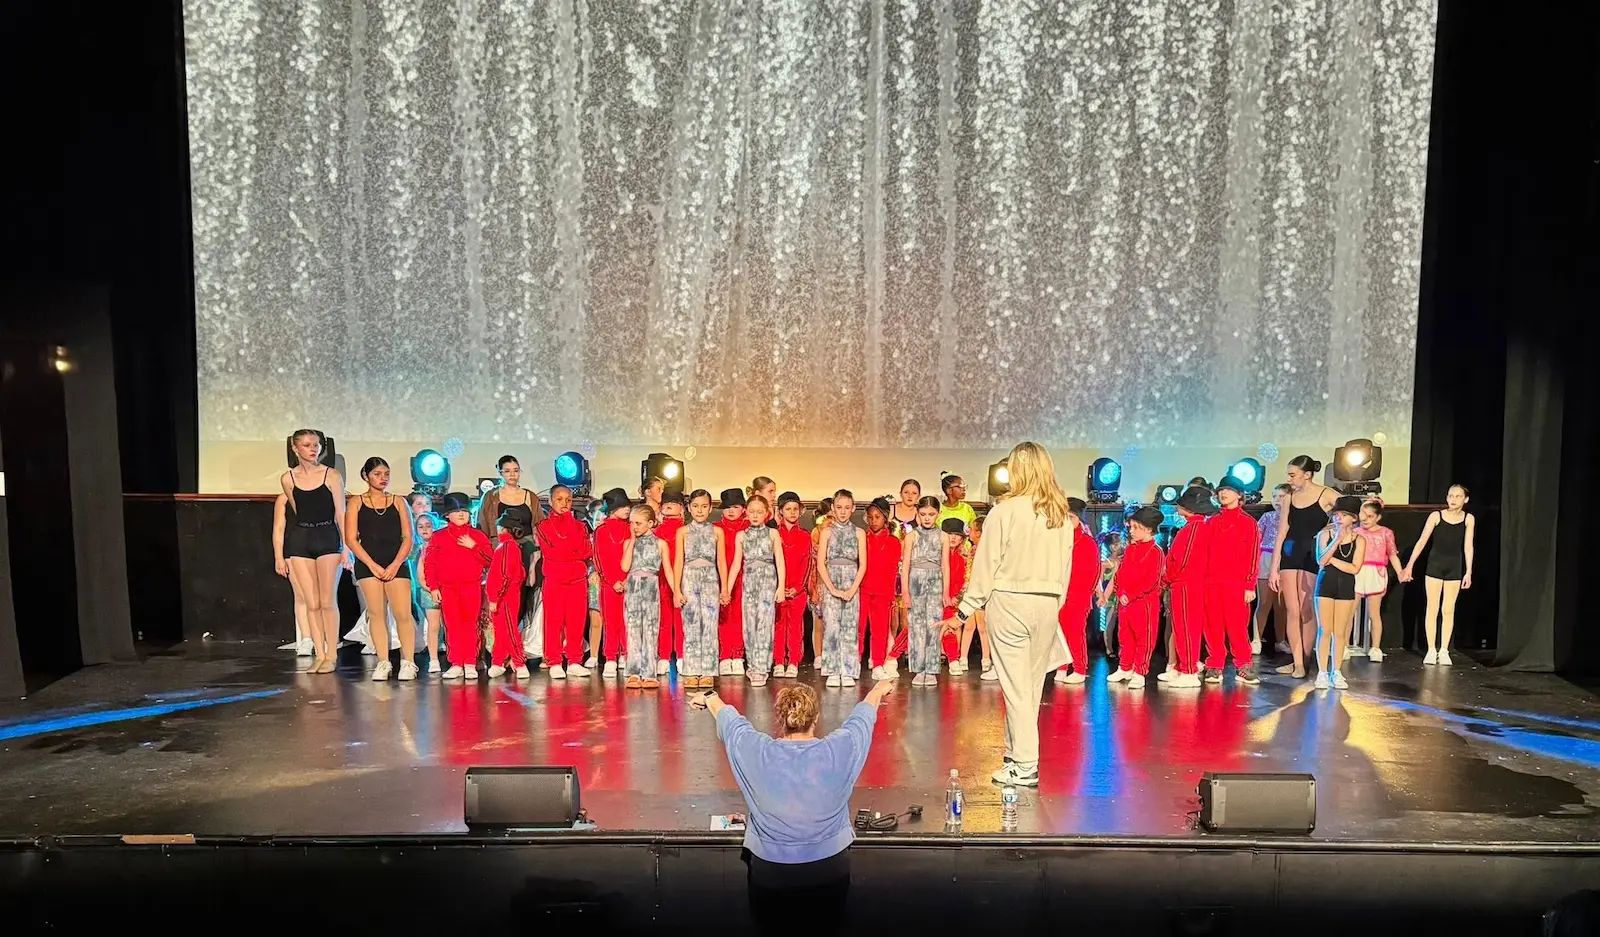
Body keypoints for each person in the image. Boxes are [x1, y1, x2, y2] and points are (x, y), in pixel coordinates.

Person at [690, 680, 896, 936]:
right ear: (816, 717)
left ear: (779, 717)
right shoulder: (841, 749)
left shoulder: (756, 751)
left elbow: (731, 721)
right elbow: (863, 716)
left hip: (771, 874)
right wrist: (877, 689)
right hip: (828, 871)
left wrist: (709, 696)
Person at [939, 441, 1074, 787]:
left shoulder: (1004, 512)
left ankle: (1025, 763)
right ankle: (1017, 755)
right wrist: (1053, 605)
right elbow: (1065, 570)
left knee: (1016, 690)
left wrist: (964, 611)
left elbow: (985, 568)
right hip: (1045, 604)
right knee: (1028, 688)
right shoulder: (1060, 515)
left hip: (1011, 601)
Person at [277, 430, 345, 674]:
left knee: (327, 601)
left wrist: (346, 547)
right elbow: (297, 509)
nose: (313, 449)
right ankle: (320, 652)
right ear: (296, 449)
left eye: (316, 445)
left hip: (327, 536)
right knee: (312, 603)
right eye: (307, 445)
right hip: (301, 539)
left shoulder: (331, 475)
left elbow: (340, 514)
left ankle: (332, 655)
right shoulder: (288, 479)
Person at [344, 457, 418, 681]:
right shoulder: (356, 502)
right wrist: (372, 565)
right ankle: (383, 661)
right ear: (366, 476)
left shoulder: (398, 501)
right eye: (377, 474)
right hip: (369, 564)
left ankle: (408, 662)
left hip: (396, 563)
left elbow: (408, 537)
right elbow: (351, 539)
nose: (383, 478)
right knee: (376, 614)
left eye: (386, 473)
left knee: (402, 613)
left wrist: (395, 564)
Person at [1268, 455, 1339, 679]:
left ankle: (1306, 659)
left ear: (1307, 475)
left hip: (1312, 554)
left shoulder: (1325, 494)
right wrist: (1273, 568)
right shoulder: (1290, 497)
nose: (1289, 480)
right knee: (1292, 610)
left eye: (1293, 475)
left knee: (1307, 610)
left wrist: (1330, 529)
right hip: (1290, 553)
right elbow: (1281, 532)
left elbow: (1349, 511)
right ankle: (1297, 662)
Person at [1402, 484, 1475, 665]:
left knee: (1448, 609)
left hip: (1454, 566)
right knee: (1432, 608)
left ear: (1465, 500)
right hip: (1435, 565)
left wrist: (1468, 571)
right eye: (1450, 495)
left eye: (1458, 496)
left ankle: (1444, 650)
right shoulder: (1436, 516)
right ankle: (1431, 649)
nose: (1453, 499)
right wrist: (1409, 565)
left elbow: (1468, 546)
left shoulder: (1468, 519)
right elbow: (1422, 542)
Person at [424, 492, 493, 680]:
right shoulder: (439, 537)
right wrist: (434, 587)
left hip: (471, 586)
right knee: (453, 625)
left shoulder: (477, 536)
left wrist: (474, 547)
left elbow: (490, 560)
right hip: (448, 588)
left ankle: (470, 661)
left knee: (471, 624)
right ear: (447, 515)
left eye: (464, 510)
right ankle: (456, 662)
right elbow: (430, 564)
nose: (461, 514)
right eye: (456, 511)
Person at [1206, 476, 1261, 685]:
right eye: (1221, 490)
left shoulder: (1248, 523)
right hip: (1212, 581)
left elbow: (1253, 556)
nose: (1223, 493)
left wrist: (1250, 584)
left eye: (1228, 489)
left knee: (1237, 625)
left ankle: (1243, 665)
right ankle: (1214, 665)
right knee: (1213, 625)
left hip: (1236, 583)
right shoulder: (1212, 522)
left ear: (1239, 494)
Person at [726, 495, 785, 686]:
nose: (755, 515)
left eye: (759, 512)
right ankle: (752, 664)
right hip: (750, 582)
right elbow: (736, 564)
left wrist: (781, 586)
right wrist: (726, 588)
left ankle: (762, 666)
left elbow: (780, 561)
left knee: (765, 624)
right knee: (749, 624)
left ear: (767, 513)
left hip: (768, 580)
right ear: (746, 512)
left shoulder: (772, 534)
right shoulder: (741, 535)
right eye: (751, 511)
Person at [535, 485, 593, 678]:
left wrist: (570, 551)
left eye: (568, 500)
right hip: (555, 579)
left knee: (576, 621)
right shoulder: (543, 527)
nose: (564, 503)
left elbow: (586, 550)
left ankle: (575, 660)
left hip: (577, 579)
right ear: (551, 502)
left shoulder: (580, 526)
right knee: (554, 621)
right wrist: (572, 552)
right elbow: (552, 552)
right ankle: (554, 661)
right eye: (559, 499)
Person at [1107, 505, 1166, 689]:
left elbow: (1151, 580)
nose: (1131, 531)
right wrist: (1121, 592)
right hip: (1126, 602)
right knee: (1125, 635)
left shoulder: (1155, 552)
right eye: (1130, 527)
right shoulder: (1131, 549)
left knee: (1144, 638)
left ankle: (1140, 671)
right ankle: (1125, 667)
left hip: (1144, 603)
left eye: (1135, 528)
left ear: (1148, 529)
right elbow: (1121, 574)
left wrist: (1131, 594)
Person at [1313, 496, 1367, 689]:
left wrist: (1333, 561)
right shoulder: (1325, 535)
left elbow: (1355, 568)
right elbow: (1321, 560)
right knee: (1324, 629)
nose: (1339, 518)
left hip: (1345, 586)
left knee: (1340, 631)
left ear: (1353, 518)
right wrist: (1337, 539)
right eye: (1336, 515)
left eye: (1344, 515)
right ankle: (1322, 672)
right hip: (1325, 584)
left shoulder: (1360, 540)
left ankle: (1337, 671)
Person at [1161, 486, 1212, 688]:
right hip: (1185, 583)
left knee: (1186, 626)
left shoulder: (1193, 529)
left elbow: (1181, 560)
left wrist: (1167, 579)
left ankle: (1189, 669)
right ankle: (1184, 666)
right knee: (1182, 626)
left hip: (1185, 583)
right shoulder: (1195, 527)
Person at [897, 496, 949, 687]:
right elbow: (906, 565)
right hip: (916, 581)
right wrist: (905, 592)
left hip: (935, 580)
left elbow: (945, 566)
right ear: (917, 514)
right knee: (917, 625)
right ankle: (919, 669)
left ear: (938, 514)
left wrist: (946, 591)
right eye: (923, 514)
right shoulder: (912, 536)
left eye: (931, 514)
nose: (927, 518)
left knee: (933, 625)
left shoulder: (943, 536)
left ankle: (932, 668)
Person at [674, 490, 724, 688]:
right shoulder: (683, 532)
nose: (700, 510)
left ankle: (708, 670)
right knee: (691, 624)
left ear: (711, 508)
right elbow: (679, 561)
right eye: (695, 506)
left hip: (711, 578)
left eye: (704, 506)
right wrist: (677, 590)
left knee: (710, 625)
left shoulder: (717, 532)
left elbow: (721, 561)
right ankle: (692, 669)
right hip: (689, 577)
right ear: (688, 508)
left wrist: (725, 587)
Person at [818, 491, 866, 688]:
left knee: (849, 627)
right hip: (831, 581)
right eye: (839, 507)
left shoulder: (859, 533)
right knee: (831, 626)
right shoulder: (826, 532)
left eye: (847, 508)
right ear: (833, 508)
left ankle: (848, 669)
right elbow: (821, 563)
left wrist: (853, 588)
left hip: (851, 581)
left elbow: (863, 564)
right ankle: (832, 669)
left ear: (853, 508)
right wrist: (832, 588)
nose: (843, 512)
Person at [621, 504, 666, 689]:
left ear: (650, 523)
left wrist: (677, 591)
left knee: (650, 629)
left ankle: (649, 672)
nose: (634, 527)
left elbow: (669, 570)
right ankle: (633, 671)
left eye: (638, 523)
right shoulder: (628, 543)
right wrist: (631, 541)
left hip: (651, 588)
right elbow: (624, 567)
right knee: (633, 629)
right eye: (631, 523)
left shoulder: (660, 543)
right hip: (633, 587)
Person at [1354, 499, 1406, 662]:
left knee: (1374, 613)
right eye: (1363, 516)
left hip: (1375, 572)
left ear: (1378, 517)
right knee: (1349, 612)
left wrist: (1400, 572)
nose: (1365, 520)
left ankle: (1375, 647)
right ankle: (1343, 646)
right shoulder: (1356, 532)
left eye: (1369, 516)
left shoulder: (1386, 533)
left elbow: (1392, 554)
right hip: (1357, 571)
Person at [1053, 498, 1097, 685]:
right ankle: (1061, 667)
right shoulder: (1055, 540)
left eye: (1070, 517)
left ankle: (1079, 668)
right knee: (1057, 632)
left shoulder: (1087, 542)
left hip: (1078, 595)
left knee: (1075, 632)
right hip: (1057, 593)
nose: (1066, 521)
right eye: (1063, 517)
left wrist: (1085, 594)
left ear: (1079, 519)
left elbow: (1093, 572)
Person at [485, 509, 529, 679]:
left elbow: (504, 575)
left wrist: (495, 597)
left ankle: (518, 662)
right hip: (507, 595)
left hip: (505, 597)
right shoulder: (511, 547)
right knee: (501, 629)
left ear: (503, 528)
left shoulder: (507, 547)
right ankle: (498, 660)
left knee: (509, 628)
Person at [594, 488, 633, 678]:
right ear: (612, 509)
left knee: (627, 620)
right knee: (611, 621)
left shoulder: (631, 529)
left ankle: (626, 655)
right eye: (622, 506)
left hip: (628, 582)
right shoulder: (601, 530)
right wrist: (611, 580)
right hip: (608, 583)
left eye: (627, 505)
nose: (626, 509)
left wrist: (626, 579)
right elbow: (599, 558)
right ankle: (610, 657)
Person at [271, 493, 315, 657]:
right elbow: (279, 528)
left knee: (320, 597)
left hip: (320, 548)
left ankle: (322, 638)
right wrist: (279, 557)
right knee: (301, 596)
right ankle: (306, 638)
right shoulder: (284, 498)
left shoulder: (326, 491)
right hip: (294, 549)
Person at [774, 492, 812, 678]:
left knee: (796, 626)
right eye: (788, 509)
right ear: (780, 511)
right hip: (778, 589)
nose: (792, 512)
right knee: (779, 625)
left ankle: (794, 661)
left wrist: (798, 587)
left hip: (797, 590)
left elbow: (807, 564)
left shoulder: (805, 536)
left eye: (795, 509)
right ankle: (779, 661)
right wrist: (779, 587)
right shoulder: (774, 534)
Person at [861, 501, 900, 679]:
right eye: (870, 517)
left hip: (883, 592)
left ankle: (877, 663)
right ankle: (854, 662)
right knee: (859, 628)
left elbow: (893, 570)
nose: (873, 521)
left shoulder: (893, 542)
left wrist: (891, 594)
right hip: (863, 589)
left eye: (877, 517)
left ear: (885, 517)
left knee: (880, 629)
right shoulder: (862, 538)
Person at [956, 513, 997, 681]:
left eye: (971, 530)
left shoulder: (986, 550)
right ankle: (963, 658)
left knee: (983, 627)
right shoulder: (971, 550)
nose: (969, 533)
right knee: (968, 626)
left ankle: (986, 659)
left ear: (979, 533)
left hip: (981, 592)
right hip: (968, 589)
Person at [716, 488, 751, 675]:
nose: (731, 511)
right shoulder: (715, 528)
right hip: (719, 577)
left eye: (735, 507)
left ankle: (738, 655)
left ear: (743, 509)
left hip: (744, 577)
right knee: (723, 615)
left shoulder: (748, 527)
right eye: (727, 507)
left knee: (739, 616)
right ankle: (724, 655)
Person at [1254, 484, 1292, 654]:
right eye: (1275, 496)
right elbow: (1256, 538)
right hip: (1266, 558)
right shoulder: (1267, 517)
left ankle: (1281, 640)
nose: (1277, 500)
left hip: (1286, 560)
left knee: (1281, 605)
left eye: (1282, 496)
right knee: (1264, 602)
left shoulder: (1294, 518)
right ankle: (1256, 639)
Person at [655, 492, 686, 675]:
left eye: (672, 504)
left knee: (682, 619)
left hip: (683, 579)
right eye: (665, 505)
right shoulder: (657, 531)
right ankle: (664, 656)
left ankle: (682, 656)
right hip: (662, 580)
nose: (668, 508)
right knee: (664, 620)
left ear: (681, 508)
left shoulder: (687, 530)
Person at [410, 512, 445, 672]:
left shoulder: (444, 546)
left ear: (435, 527)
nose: (424, 529)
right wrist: (431, 589)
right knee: (434, 625)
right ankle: (433, 660)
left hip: (448, 589)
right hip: (429, 590)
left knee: (451, 625)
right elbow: (420, 577)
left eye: (428, 525)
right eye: (420, 526)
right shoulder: (418, 550)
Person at [808, 496, 834, 668]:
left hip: (835, 579)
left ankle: (831, 654)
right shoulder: (816, 533)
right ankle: (818, 655)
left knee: (833, 621)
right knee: (818, 620)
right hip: (818, 580)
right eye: (829, 517)